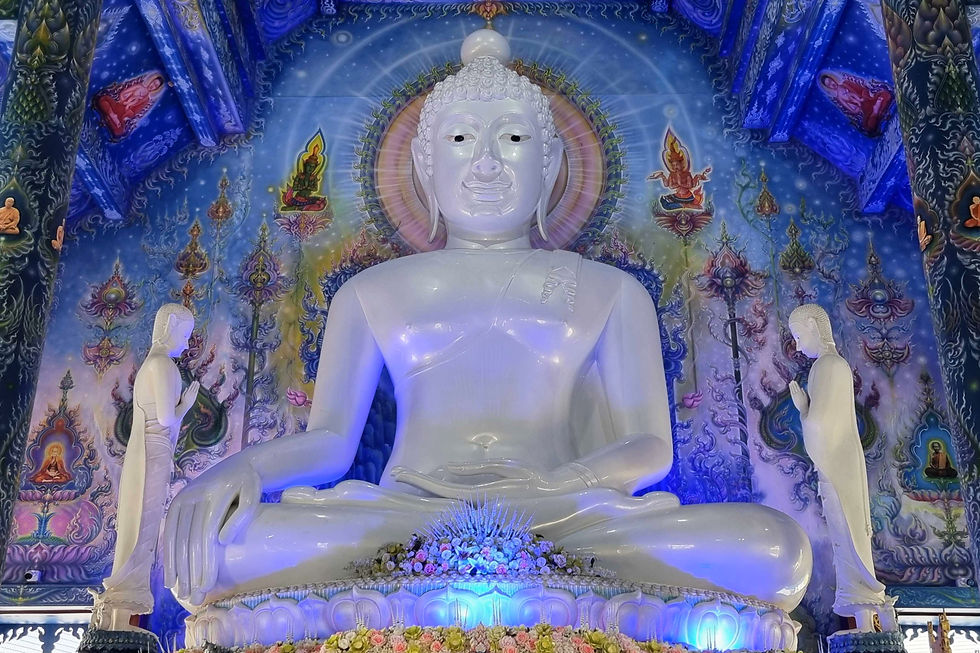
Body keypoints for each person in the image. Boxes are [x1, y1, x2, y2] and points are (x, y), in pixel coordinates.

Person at [163, 30, 811, 613]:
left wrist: (559, 486)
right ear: (425, 164)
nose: (487, 162)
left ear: (550, 163)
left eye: (514, 138)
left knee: (775, 548)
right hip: (407, 511)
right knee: (216, 549)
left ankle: (425, 584)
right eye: (461, 138)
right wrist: (237, 471)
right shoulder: (370, 291)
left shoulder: (613, 292)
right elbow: (330, 441)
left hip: (563, 513)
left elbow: (650, 448)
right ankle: (550, 588)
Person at [91, 304, 199, 631]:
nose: (187, 342)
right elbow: (166, 418)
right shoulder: (163, 364)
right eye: (185, 334)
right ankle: (126, 592)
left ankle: (127, 592)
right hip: (154, 448)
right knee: (144, 524)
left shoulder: (154, 365)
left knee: (145, 524)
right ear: (169, 329)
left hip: (152, 448)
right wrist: (186, 405)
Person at [788, 304, 891, 632]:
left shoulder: (830, 366)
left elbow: (820, 425)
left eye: (800, 336)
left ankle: (862, 597)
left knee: (848, 535)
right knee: (843, 537)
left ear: (816, 328)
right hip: (837, 464)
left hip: (838, 466)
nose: (799, 345)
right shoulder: (826, 367)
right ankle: (857, 597)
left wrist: (804, 411)